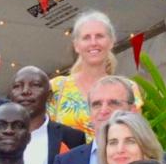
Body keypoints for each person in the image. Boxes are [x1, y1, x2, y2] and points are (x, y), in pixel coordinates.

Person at [48, 11, 143, 140]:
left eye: (99, 36)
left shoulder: (128, 88)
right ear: (76, 45)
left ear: (111, 42)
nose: (93, 43)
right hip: (68, 160)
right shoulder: (57, 87)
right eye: (86, 37)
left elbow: (135, 137)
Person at [52, 76, 140, 164]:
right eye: (96, 104)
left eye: (113, 103)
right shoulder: (65, 163)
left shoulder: (154, 160)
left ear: (133, 111)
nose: (103, 110)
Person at [9, 66, 85, 164]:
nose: (25, 91)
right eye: (18, 86)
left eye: (35, 85)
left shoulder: (72, 138)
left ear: (49, 95)